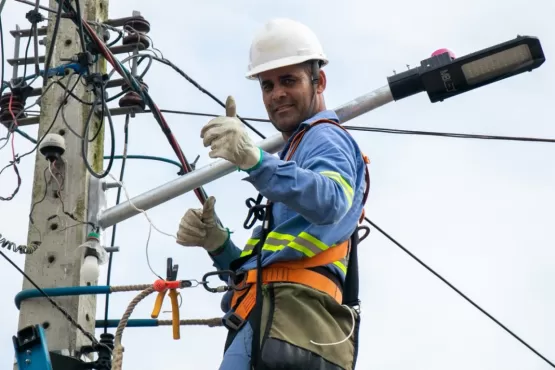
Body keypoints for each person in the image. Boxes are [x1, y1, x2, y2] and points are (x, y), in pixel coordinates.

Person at [176, 18, 370, 370]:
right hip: (284, 325)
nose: (276, 93)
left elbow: (331, 201)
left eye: (289, 81)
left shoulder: (325, 137)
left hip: (285, 323)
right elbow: (270, 267)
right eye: (267, 85)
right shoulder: (292, 159)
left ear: (319, 81)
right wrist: (219, 245)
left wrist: (255, 160)